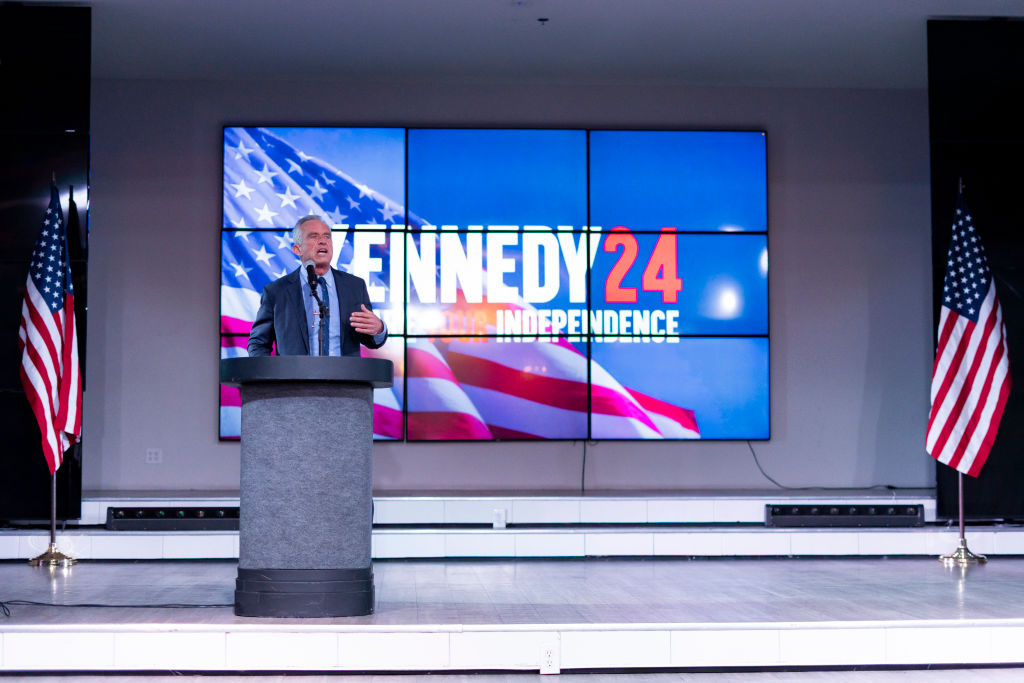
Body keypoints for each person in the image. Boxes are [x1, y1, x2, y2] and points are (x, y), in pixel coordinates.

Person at [247, 215, 387, 357]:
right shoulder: (276, 292)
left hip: (344, 377)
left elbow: (370, 340)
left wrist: (379, 329)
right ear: (297, 249)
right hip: (294, 378)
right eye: (314, 237)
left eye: (327, 237)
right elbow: (258, 343)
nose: (323, 241)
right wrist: (272, 377)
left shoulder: (355, 286)